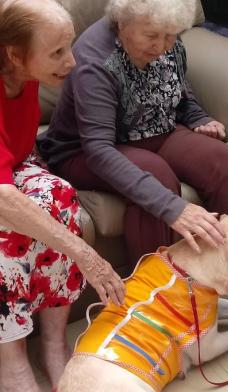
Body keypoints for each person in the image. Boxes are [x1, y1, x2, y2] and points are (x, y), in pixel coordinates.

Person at [36, 0, 228, 269]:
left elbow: (176, 83)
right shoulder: (96, 60)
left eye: (170, 35)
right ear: (121, 23)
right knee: (155, 178)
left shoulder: (164, 36)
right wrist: (173, 208)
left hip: (156, 129)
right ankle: (156, 289)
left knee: (219, 159)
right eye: (151, 36)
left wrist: (197, 116)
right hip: (84, 148)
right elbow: (98, 149)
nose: (161, 46)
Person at [0, 1, 125, 391]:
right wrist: (87, 256)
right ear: (14, 55)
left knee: (61, 197)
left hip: (15, 164)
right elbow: (3, 198)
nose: (70, 62)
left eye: (67, 46)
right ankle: (12, 358)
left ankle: (52, 343)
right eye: (57, 52)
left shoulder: (27, 65)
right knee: (6, 234)